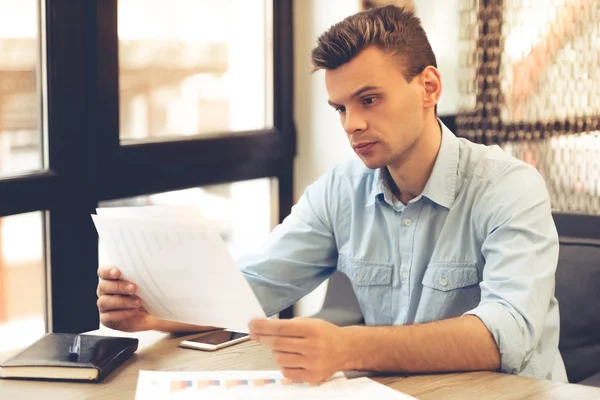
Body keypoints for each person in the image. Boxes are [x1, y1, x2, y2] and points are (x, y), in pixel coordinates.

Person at [96, 5, 567, 384]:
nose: (351, 124)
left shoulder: (509, 187)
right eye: (340, 107)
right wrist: (151, 315)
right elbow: (246, 291)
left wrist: (349, 347)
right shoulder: (341, 190)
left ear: (429, 86)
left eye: (369, 99)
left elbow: (507, 334)